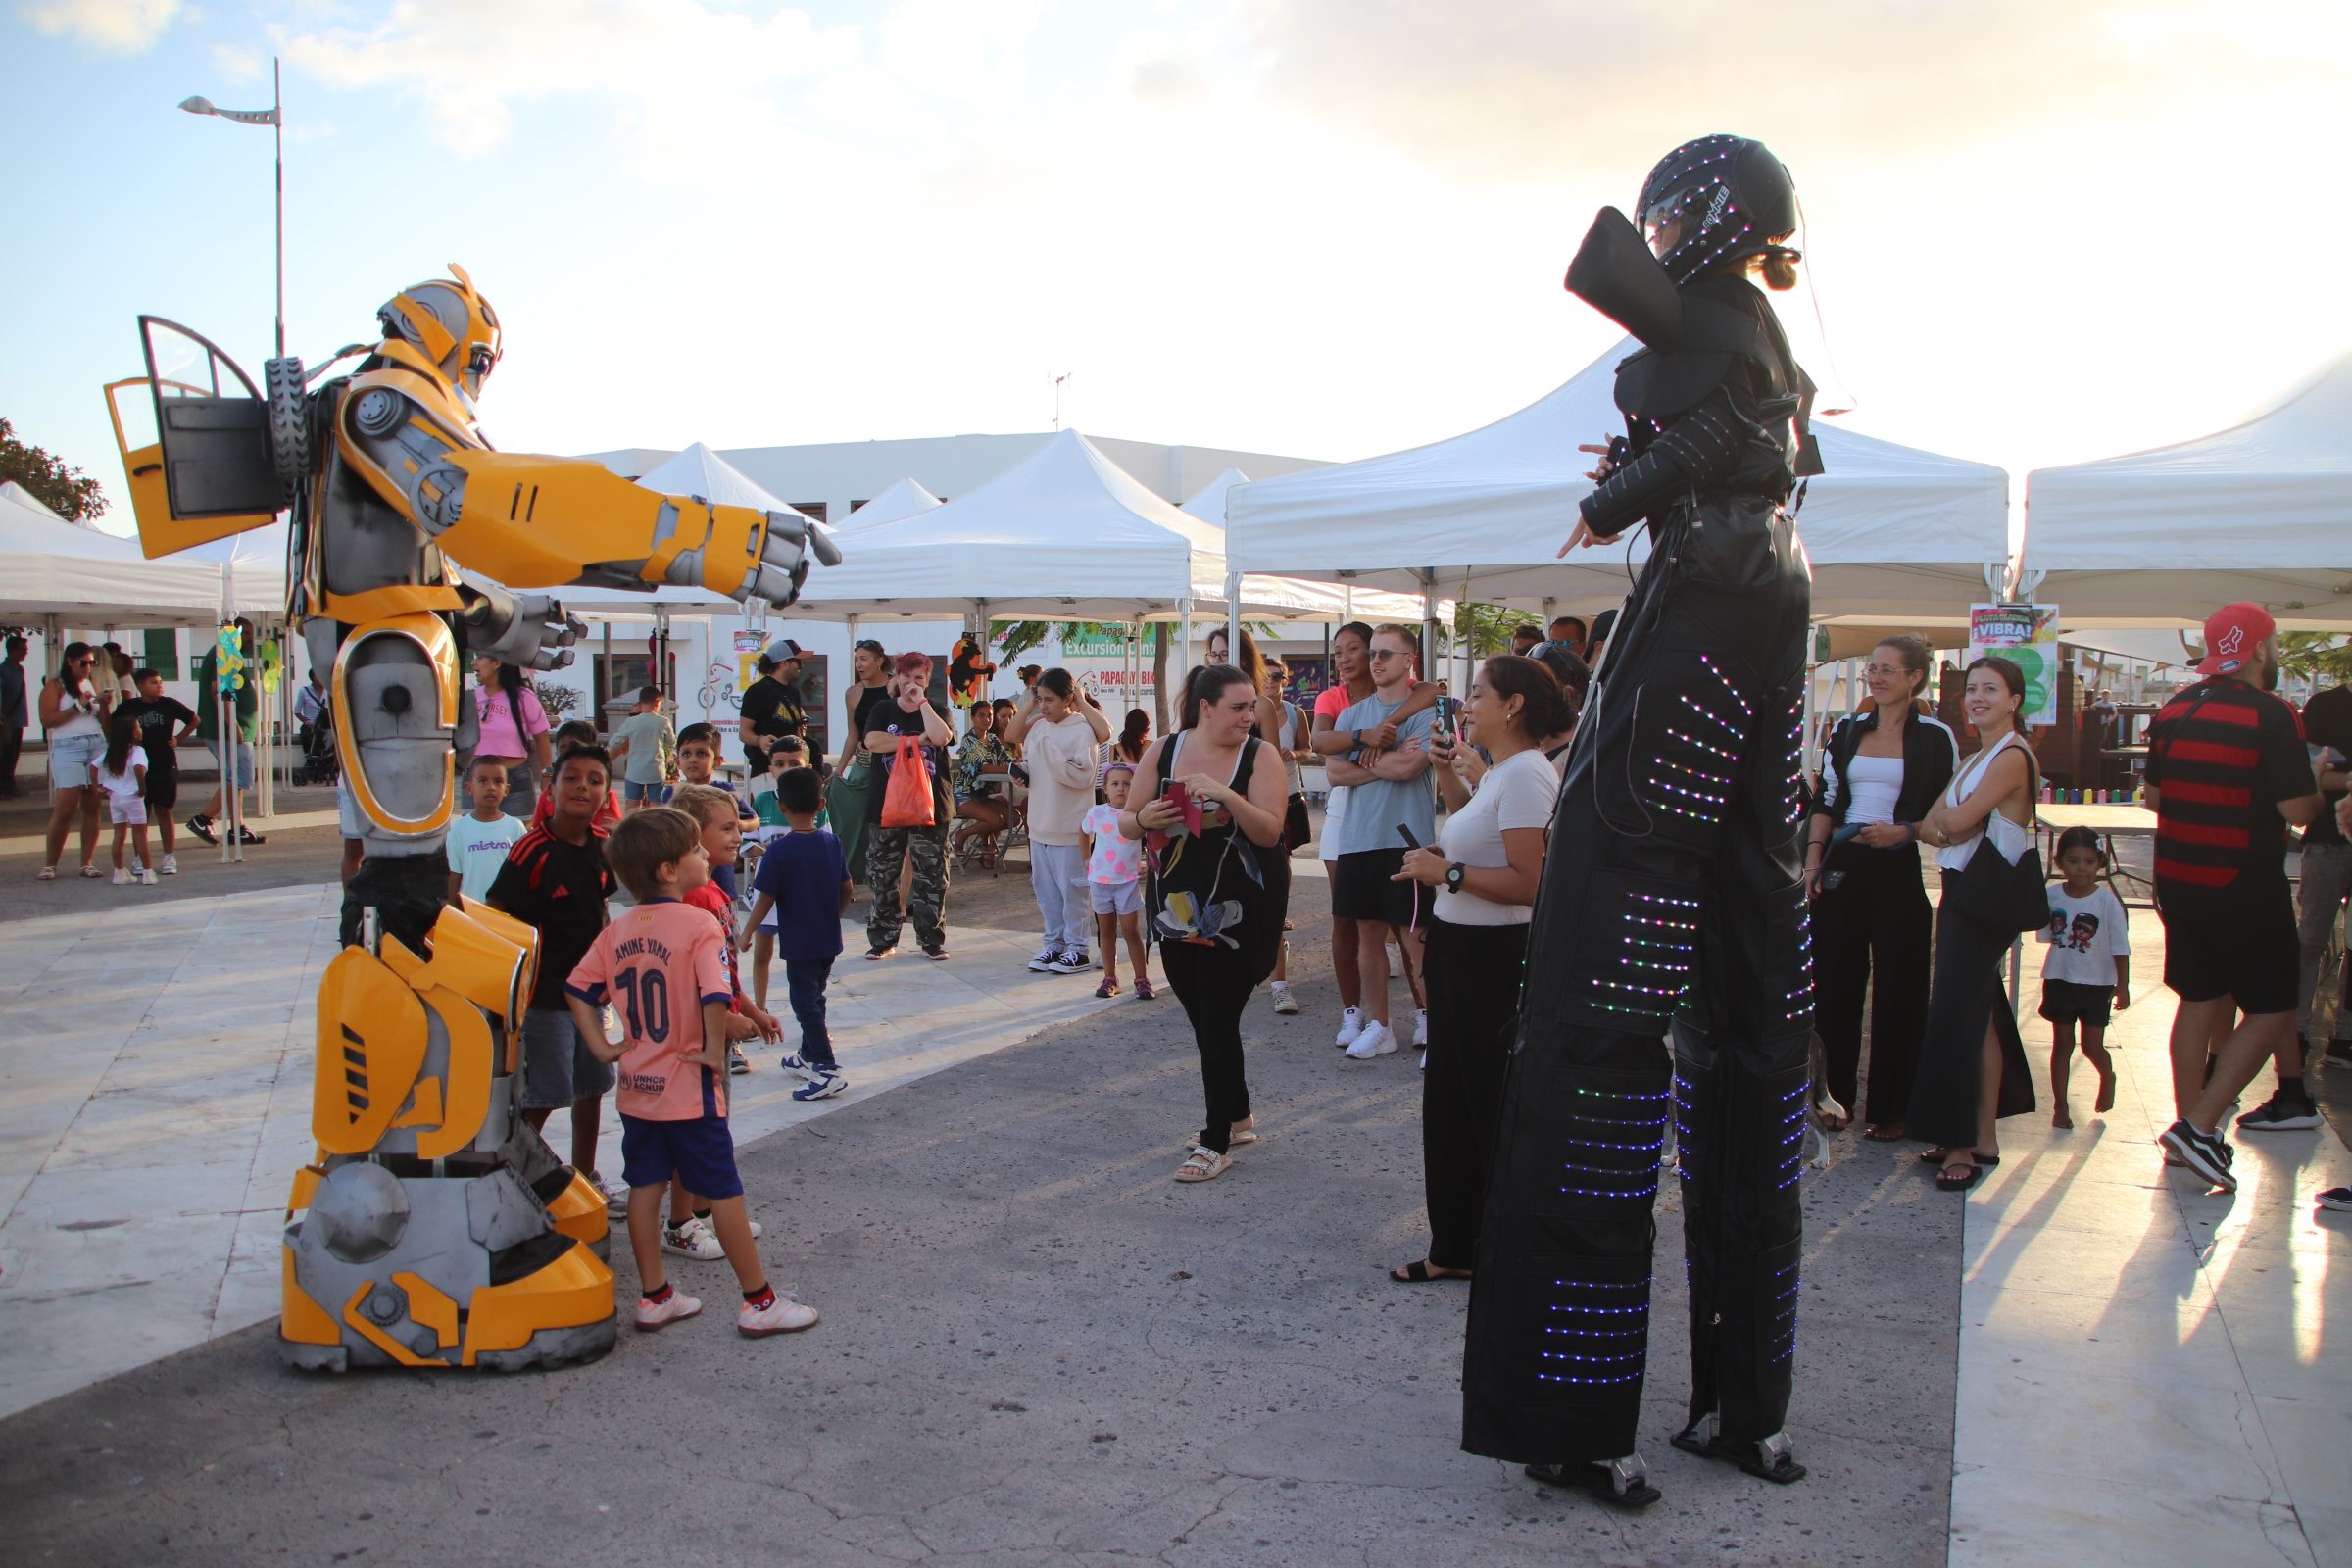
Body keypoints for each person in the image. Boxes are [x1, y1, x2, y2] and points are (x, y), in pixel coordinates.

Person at [1465, 136, 1821, 1503]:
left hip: (1694, 617)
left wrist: (1611, 492)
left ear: (1695, 219)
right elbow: (1745, 437)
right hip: (1771, 609)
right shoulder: (1765, 341)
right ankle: (1752, 1409)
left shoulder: (1714, 331)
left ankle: (1574, 1418)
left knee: (1596, 1018)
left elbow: (1709, 436)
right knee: (1754, 1009)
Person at [564, 807, 818, 1337]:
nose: (706, 855)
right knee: (723, 1189)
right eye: (696, 850)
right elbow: (714, 991)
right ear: (667, 870)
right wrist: (708, 1048)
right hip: (687, 1084)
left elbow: (578, 989)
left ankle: (655, 1296)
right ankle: (759, 1301)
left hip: (638, 1085)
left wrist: (604, 1047)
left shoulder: (619, 930)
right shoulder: (699, 924)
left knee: (644, 1186)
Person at [1388, 655, 1564, 1283]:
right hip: (1463, 951)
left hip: (1493, 962)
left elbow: (1533, 883)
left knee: (1483, 1106)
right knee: (1456, 1105)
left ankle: (1494, 1248)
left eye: (1478, 693)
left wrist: (1448, 873)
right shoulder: (1502, 773)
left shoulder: (1524, 776)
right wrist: (1443, 865)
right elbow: (1482, 848)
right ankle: (1459, 1246)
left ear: (1513, 705)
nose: (1466, 705)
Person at [2145, 605, 2325, 1181]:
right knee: (2273, 1007)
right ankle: (2199, 1125)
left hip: (2178, 878)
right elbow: (2297, 812)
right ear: (2262, 649)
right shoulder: (2272, 715)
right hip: (2243, 882)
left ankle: (2187, 1130)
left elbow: (2153, 798)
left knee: (2197, 1000)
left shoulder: (2173, 709)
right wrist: (2316, 782)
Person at [1127, 665, 1291, 1181]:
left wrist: (1227, 795)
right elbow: (1126, 818)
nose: (1250, 716)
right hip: (1175, 905)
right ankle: (1238, 1114)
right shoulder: (1166, 750)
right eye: (1239, 707)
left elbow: (1269, 833)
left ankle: (1215, 1140)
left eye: (1252, 707)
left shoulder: (1260, 754)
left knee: (1218, 1019)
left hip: (1237, 912)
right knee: (1203, 1018)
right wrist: (1145, 819)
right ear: (1206, 707)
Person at [1803, 635, 1958, 1140]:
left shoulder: (1935, 737)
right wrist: (1813, 862)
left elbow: (1948, 810)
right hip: (1844, 861)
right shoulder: (1848, 730)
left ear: (1915, 677)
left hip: (1897, 862)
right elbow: (1824, 799)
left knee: (1901, 987)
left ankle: (1893, 1108)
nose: (1877, 677)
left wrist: (1906, 830)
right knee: (1834, 986)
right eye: (1873, 668)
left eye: (1889, 669)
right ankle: (1831, 1098)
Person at [1910, 658, 2041, 1189]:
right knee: (1981, 1016)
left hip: (1986, 898)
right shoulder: (1977, 756)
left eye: (1991, 688)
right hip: (1965, 892)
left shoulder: (2011, 756)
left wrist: (1948, 826)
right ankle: (1981, 1134)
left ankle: (1960, 1142)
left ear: (2015, 700)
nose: (1978, 697)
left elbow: (1954, 821)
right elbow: (1930, 823)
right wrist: (1946, 827)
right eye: (1971, 689)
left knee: (1956, 1018)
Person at [489, 745, 622, 1211]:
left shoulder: (601, 849)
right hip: (544, 997)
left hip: (591, 997)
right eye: (571, 778)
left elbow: (602, 909)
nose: (582, 787)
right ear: (552, 787)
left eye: (593, 780)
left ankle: (584, 1180)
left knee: (592, 1086)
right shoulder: (532, 849)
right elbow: (497, 914)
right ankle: (509, 1180)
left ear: (606, 793)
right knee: (547, 1092)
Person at [1310, 621, 1440, 1049]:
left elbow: (1410, 768)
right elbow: (1332, 771)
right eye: (1374, 654)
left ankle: (1429, 1019)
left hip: (1407, 841)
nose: (1376, 661)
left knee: (1412, 935)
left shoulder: (1425, 711)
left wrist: (1365, 760)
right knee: (1367, 933)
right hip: (1357, 839)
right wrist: (1385, 756)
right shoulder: (1350, 715)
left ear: (1409, 661)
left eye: (1385, 653)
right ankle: (1380, 1026)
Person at [741, 765, 855, 1102]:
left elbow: (766, 898)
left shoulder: (779, 851)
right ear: (821, 806)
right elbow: (846, 888)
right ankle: (807, 1054)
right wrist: (835, 916)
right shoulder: (831, 842)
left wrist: (747, 931)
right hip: (827, 939)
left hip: (800, 942)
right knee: (815, 996)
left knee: (803, 1002)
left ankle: (826, 1067)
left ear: (783, 807)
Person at [671, 783, 782, 1078]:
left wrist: (751, 1011)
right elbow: (687, 977)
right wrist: (723, 1020)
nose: (738, 837)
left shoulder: (713, 892)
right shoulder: (692, 899)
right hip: (699, 1035)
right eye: (727, 829)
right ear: (693, 834)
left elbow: (723, 973)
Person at [1006, 667, 1112, 974]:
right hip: (1040, 824)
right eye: (1040, 699)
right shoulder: (1039, 726)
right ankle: (1053, 945)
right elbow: (1013, 737)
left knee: (1073, 891)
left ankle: (1077, 948)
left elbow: (1082, 776)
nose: (1043, 706)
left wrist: (1050, 755)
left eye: (1049, 700)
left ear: (1068, 698)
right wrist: (1023, 773)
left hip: (1071, 828)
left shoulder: (1082, 729)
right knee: (1046, 890)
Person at [862, 652, 955, 961]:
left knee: (932, 874)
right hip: (886, 805)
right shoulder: (882, 709)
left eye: (919, 678)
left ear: (927, 682)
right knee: (883, 873)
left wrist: (923, 705)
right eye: (906, 676)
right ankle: (883, 939)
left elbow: (942, 737)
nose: (911, 684)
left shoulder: (937, 709)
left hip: (931, 806)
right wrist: (916, 742)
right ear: (896, 678)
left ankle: (931, 939)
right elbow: (872, 741)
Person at [2039, 826, 2131, 1130]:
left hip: (2098, 984)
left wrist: (2123, 986)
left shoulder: (2106, 902)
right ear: (2060, 862)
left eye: (2090, 861)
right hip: (2059, 979)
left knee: (2092, 1046)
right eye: (2074, 861)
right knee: (2062, 1043)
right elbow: (2043, 933)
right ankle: (2060, 1105)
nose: (2081, 868)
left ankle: (2107, 1075)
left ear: (2100, 863)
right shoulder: (2051, 896)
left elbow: (2120, 946)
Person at [2295, 677, 2352, 1075]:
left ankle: (2343, 1036)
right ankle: (2295, 1031)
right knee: (2311, 939)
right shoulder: (2325, 706)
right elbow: (2308, 772)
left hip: (2330, 840)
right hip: (2328, 841)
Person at [187, 619, 265, 848]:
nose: (250, 637)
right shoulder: (224, 653)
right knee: (238, 777)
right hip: (230, 730)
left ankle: (237, 827)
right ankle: (204, 819)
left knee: (235, 779)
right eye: (246, 632)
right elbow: (218, 690)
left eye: (251, 632)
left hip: (234, 728)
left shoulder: (229, 654)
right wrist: (233, 725)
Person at [36, 642, 110, 880]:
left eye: (92, 662)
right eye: (83, 662)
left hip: (95, 743)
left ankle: (87, 862)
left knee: (93, 806)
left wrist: (106, 706)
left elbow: (103, 720)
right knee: (65, 807)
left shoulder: (92, 683)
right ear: (69, 661)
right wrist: (77, 707)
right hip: (68, 746)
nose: (88, 667)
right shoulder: (55, 686)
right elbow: (47, 720)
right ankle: (50, 864)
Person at [117, 667, 198, 877]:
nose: (159, 685)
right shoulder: (130, 706)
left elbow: (194, 719)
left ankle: (169, 855)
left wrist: (179, 738)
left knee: (165, 811)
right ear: (141, 686)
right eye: (154, 682)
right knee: (140, 815)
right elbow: (113, 726)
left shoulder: (168, 704)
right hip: (140, 766)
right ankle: (139, 857)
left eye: (160, 681)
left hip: (164, 763)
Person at [1264, 662, 1312, 1016]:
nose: (1270, 683)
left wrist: (1293, 754)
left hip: (1289, 793)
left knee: (1284, 862)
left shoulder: (1295, 713)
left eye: (1276, 677)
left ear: (1285, 679)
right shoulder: (1245, 708)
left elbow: (1309, 749)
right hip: (1255, 799)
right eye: (1263, 677)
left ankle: (1278, 977)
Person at [1083, 763, 1153, 999]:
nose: (1121, 789)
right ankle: (1110, 978)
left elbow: (1154, 838)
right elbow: (1083, 832)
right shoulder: (1096, 813)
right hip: (1100, 882)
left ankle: (1141, 979)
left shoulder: (1138, 815)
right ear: (1105, 789)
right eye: (1115, 784)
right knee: (1106, 931)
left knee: (1131, 931)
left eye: (1127, 784)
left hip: (1127, 882)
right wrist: (1086, 858)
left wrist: (1151, 863)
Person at [828, 639, 892, 886]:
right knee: (849, 822)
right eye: (856, 659)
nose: (859, 664)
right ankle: (847, 879)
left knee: (887, 827)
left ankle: (887, 883)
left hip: (890, 766)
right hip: (863, 767)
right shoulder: (852, 693)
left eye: (864, 659)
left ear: (879, 661)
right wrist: (840, 769)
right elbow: (853, 735)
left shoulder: (894, 688)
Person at [467, 655, 553, 823]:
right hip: (475, 778)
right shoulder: (470, 698)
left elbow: (542, 738)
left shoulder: (524, 697)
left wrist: (547, 775)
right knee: (475, 839)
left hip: (516, 779)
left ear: (497, 662)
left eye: (481, 657)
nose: (473, 662)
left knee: (517, 839)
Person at [445, 757, 525, 904]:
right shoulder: (458, 828)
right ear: (469, 788)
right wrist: (450, 909)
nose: (491, 787)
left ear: (506, 789)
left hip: (507, 912)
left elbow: (524, 874)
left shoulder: (516, 827)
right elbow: (454, 874)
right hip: (470, 912)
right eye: (483, 781)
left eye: (498, 781)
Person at [91, 711, 154, 886]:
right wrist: (142, 788)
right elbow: (139, 769)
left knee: (118, 834)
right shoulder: (138, 751)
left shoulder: (111, 752)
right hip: (133, 797)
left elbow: (93, 766)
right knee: (140, 834)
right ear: (133, 733)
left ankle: (119, 872)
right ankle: (148, 872)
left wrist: (96, 786)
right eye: (138, 728)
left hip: (115, 797)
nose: (141, 730)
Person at [950, 698, 1014, 866]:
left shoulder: (993, 739)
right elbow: (984, 767)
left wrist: (1016, 764)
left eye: (990, 716)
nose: (987, 719)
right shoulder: (969, 740)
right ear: (973, 718)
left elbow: (1007, 760)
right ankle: (962, 835)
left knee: (1012, 818)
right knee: (994, 821)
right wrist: (1013, 769)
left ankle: (984, 843)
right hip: (964, 794)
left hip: (983, 795)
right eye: (981, 716)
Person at [532, 720, 624, 835]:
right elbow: (537, 829)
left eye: (593, 781)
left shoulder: (604, 794)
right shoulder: (546, 795)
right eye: (563, 749)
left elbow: (616, 831)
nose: (582, 786)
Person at [737, 641, 807, 778]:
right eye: (798, 661)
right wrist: (759, 740)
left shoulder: (793, 692)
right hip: (765, 770)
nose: (801, 666)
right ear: (784, 663)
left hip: (792, 769)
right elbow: (743, 731)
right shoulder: (757, 691)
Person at [609, 686, 676, 811]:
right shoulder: (663, 722)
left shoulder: (631, 722)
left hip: (634, 770)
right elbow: (672, 742)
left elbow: (614, 741)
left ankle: (633, 829)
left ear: (640, 702)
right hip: (656, 770)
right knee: (655, 805)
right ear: (657, 702)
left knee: (633, 805)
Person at [1, 634, 27, 797]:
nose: (26, 653)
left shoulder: (19, 669)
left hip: (18, 720)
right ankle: (5, 786)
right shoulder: (3, 671)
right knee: (5, 754)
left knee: (13, 754)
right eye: (23, 649)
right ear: (13, 651)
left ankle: (9, 785)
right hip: (6, 721)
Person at [949, 633, 998, 711]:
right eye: (973, 653)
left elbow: (972, 671)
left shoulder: (965, 660)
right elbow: (971, 671)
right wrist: (984, 671)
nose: (974, 655)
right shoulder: (962, 661)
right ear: (968, 652)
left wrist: (985, 670)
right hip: (960, 687)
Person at [293, 668, 328, 754]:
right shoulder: (304, 691)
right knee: (306, 736)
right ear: (314, 677)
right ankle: (309, 758)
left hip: (326, 724)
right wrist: (306, 721)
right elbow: (297, 711)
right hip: (310, 724)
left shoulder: (328, 691)